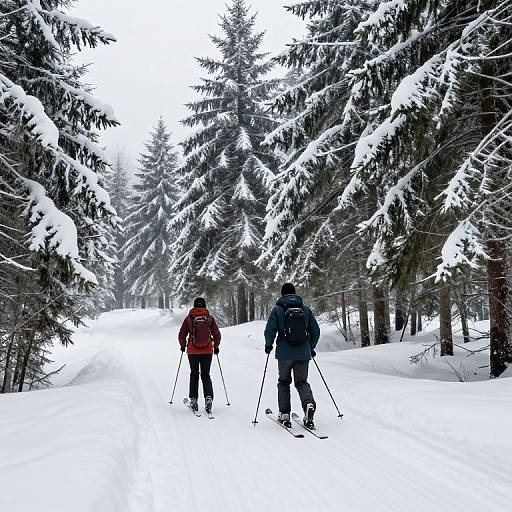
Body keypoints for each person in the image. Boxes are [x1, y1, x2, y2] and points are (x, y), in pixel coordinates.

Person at [264, 283, 320, 428]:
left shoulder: (277, 310)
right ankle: (308, 404)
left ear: (282, 294)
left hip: (284, 354)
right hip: (303, 353)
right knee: (301, 382)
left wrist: (268, 345)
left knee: (284, 382)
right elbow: (316, 331)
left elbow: (270, 330)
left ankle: (284, 414)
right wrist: (310, 347)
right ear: (294, 293)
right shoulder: (305, 309)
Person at [179, 297, 221, 414]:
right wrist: (216, 346)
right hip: (207, 351)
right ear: (204, 305)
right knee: (206, 375)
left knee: (194, 374)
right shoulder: (209, 318)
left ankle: (193, 399)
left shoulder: (189, 318)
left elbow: (182, 334)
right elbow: (217, 334)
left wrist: (183, 345)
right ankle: (208, 397)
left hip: (192, 351)